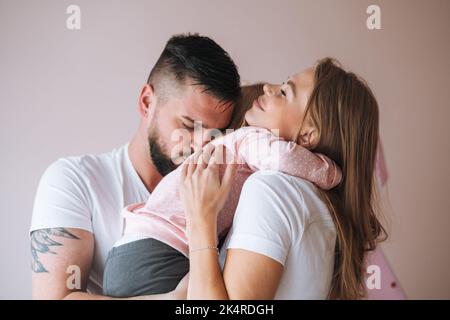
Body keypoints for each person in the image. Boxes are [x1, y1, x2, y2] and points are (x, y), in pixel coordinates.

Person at [29, 33, 241, 299]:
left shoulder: (224, 192)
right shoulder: (75, 180)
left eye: (214, 133)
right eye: (188, 126)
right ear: (147, 102)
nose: (202, 146)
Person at [102, 88, 343, 297]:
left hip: (133, 254)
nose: (269, 90)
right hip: (158, 251)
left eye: (283, 92)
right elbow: (282, 156)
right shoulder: (251, 138)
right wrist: (328, 171)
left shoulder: (265, 179)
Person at [181, 58, 387, 300]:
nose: (268, 88)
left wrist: (200, 223)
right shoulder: (320, 205)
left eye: (284, 92)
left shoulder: (271, 190)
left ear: (308, 135)